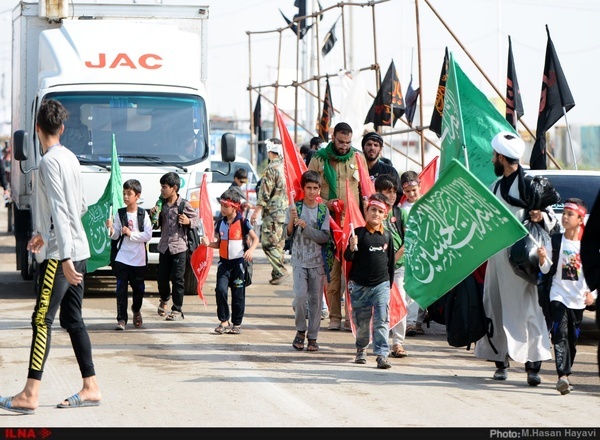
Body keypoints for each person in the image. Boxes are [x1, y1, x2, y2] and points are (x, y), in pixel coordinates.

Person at [0, 99, 101, 414]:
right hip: (75, 248)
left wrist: (63, 253)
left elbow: (60, 206)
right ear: (62, 128)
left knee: (42, 319)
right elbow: (80, 206)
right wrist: (44, 231)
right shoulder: (70, 157)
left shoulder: (47, 162)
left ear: (37, 128)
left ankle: (30, 394)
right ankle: (91, 387)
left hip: (61, 255)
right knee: (73, 319)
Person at [474, 131, 555, 386]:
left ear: (500, 157)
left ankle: (533, 367)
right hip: (497, 259)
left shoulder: (531, 185)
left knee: (529, 312)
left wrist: (540, 217)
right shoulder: (495, 187)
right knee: (495, 307)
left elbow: (551, 217)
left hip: (522, 261)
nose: (491, 160)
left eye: (493, 156)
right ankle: (501, 363)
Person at [308, 122, 368, 331]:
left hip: (353, 225)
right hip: (328, 223)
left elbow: (365, 191)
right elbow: (310, 191)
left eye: (348, 142)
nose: (344, 146)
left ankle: (351, 317)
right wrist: (327, 204)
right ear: (333, 138)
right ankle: (335, 316)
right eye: (341, 142)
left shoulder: (358, 158)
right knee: (333, 273)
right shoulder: (319, 160)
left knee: (354, 272)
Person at [538, 198, 596, 394]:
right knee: (560, 335)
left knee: (572, 339)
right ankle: (562, 376)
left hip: (578, 300)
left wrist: (592, 294)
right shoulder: (555, 241)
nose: (565, 217)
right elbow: (547, 269)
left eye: (570, 214)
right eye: (564, 213)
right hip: (558, 295)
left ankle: (566, 376)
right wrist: (542, 258)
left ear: (580, 219)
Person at [345, 193, 395, 369]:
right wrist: (351, 247)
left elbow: (391, 263)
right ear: (366, 211)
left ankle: (382, 355)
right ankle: (361, 348)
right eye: (373, 210)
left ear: (385, 215)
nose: (376, 214)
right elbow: (348, 257)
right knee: (363, 323)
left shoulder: (387, 237)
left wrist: (388, 286)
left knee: (382, 320)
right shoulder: (358, 234)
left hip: (381, 285)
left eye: (380, 211)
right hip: (360, 287)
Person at [285, 170, 331, 352]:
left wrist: (306, 227)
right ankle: (300, 330)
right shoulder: (295, 207)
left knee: (315, 302)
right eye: (308, 188)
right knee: (300, 297)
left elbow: (324, 237)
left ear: (319, 189)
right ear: (303, 188)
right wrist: (292, 220)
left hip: (317, 262)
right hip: (298, 260)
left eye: (315, 188)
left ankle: (312, 337)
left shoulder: (322, 211)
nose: (312, 191)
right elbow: (286, 234)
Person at [202, 189, 259, 335]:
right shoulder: (220, 223)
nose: (222, 209)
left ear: (234, 207)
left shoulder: (243, 222)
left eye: (225, 206)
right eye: (221, 205)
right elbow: (219, 243)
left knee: (238, 294)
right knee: (220, 290)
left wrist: (250, 250)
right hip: (224, 264)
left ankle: (237, 323)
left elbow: (255, 239)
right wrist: (208, 243)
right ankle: (223, 321)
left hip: (238, 264)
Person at [152, 171, 200, 321]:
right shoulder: (161, 205)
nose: (162, 190)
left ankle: (177, 309)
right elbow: (156, 225)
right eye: (161, 187)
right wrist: (153, 215)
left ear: (174, 188)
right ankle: (164, 298)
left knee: (178, 279)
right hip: (164, 247)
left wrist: (188, 222)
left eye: (164, 187)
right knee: (162, 277)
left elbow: (197, 220)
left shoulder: (184, 204)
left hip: (179, 247)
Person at [106, 179, 153, 330]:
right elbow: (116, 235)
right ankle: (121, 319)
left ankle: (136, 309)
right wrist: (112, 229)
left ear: (137, 196)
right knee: (121, 289)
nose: (126, 197)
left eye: (129, 194)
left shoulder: (142, 214)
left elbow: (147, 235)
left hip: (138, 259)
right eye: (124, 194)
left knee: (139, 290)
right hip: (122, 257)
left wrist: (131, 233)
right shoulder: (120, 213)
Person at [375, 174, 409, 358]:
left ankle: (398, 343)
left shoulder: (400, 213)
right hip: (378, 269)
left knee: (400, 302)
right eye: (387, 192)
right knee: (380, 305)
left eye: (394, 192)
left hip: (398, 267)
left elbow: (408, 241)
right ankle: (380, 342)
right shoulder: (372, 212)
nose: (392, 196)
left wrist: (393, 259)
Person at [250, 138, 289, 285]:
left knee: (268, 243)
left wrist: (256, 211)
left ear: (269, 150)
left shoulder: (272, 168)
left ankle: (280, 270)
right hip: (284, 212)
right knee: (278, 244)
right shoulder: (285, 167)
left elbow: (265, 192)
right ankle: (276, 274)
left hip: (272, 212)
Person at [400, 170, 427, 336]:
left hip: (427, 251)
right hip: (410, 253)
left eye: (414, 190)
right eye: (407, 191)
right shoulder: (402, 209)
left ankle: (418, 321)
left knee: (424, 287)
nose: (411, 194)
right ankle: (409, 322)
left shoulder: (428, 203)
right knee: (411, 289)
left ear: (420, 186)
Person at [361, 131, 402, 203]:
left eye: (376, 145)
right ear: (363, 148)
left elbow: (398, 195)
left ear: (380, 149)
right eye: (369, 144)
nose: (372, 148)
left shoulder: (389, 171)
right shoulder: (356, 169)